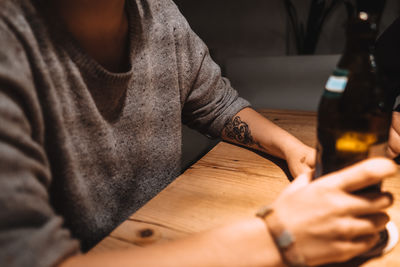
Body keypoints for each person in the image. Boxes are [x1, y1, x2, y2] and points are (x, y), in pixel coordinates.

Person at [0, 0, 395, 266]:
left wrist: (291, 147)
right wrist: (277, 237)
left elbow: (217, 104)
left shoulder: (157, 13)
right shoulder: (12, 41)